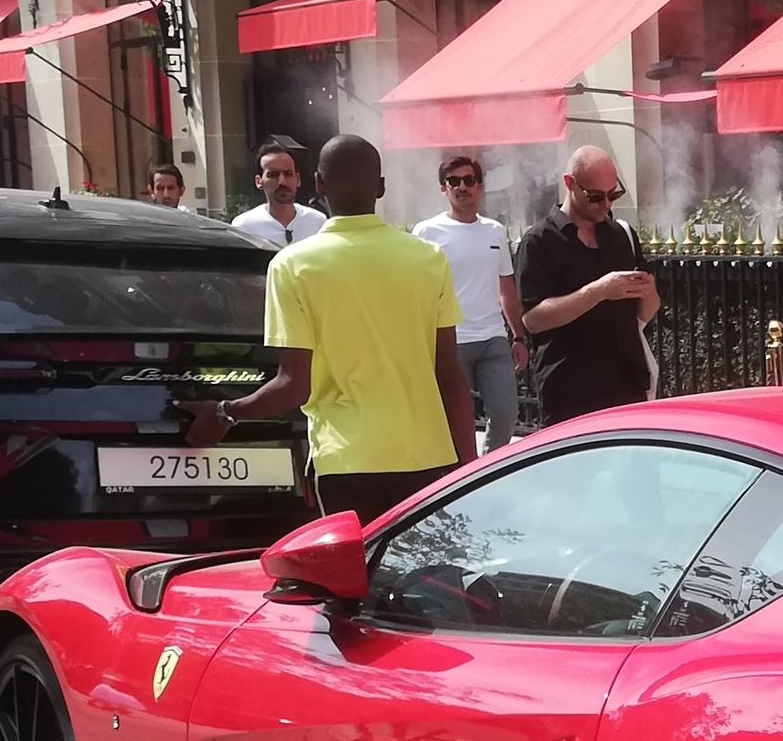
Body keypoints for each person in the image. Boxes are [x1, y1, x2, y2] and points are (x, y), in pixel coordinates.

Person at [185, 133, 473, 525]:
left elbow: (293, 385)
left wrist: (225, 412)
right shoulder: (428, 259)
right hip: (428, 457)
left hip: (346, 461)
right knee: (428, 582)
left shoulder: (292, 266)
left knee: (354, 578)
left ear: (317, 184)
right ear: (382, 187)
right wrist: (469, 468)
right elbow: (451, 376)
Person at [514, 146, 661, 425]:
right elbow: (533, 319)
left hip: (627, 385)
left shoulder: (621, 235)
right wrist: (599, 291)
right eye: (595, 196)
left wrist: (647, 290)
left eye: (613, 194)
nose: (606, 204)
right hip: (570, 392)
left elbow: (648, 311)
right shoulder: (539, 242)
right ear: (570, 184)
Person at [412, 156, 528, 451]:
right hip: (450, 339)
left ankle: (488, 468)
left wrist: (517, 336)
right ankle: (459, 476)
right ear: (443, 188)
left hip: (492, 337)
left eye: (468, 180)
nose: (461, 187)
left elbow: (505, 286)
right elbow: (416, 289)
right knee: (453, 420)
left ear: (479, 187)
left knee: (505, 412)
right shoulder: (426, 233)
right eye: (453, 181)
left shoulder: (494, 231)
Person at [230, 138, 325, 254]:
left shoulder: (317, 222)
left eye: (288, 174)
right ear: (259, 181)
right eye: (273, 175)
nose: (282, 182)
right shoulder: (244, 227)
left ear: (298, 179)